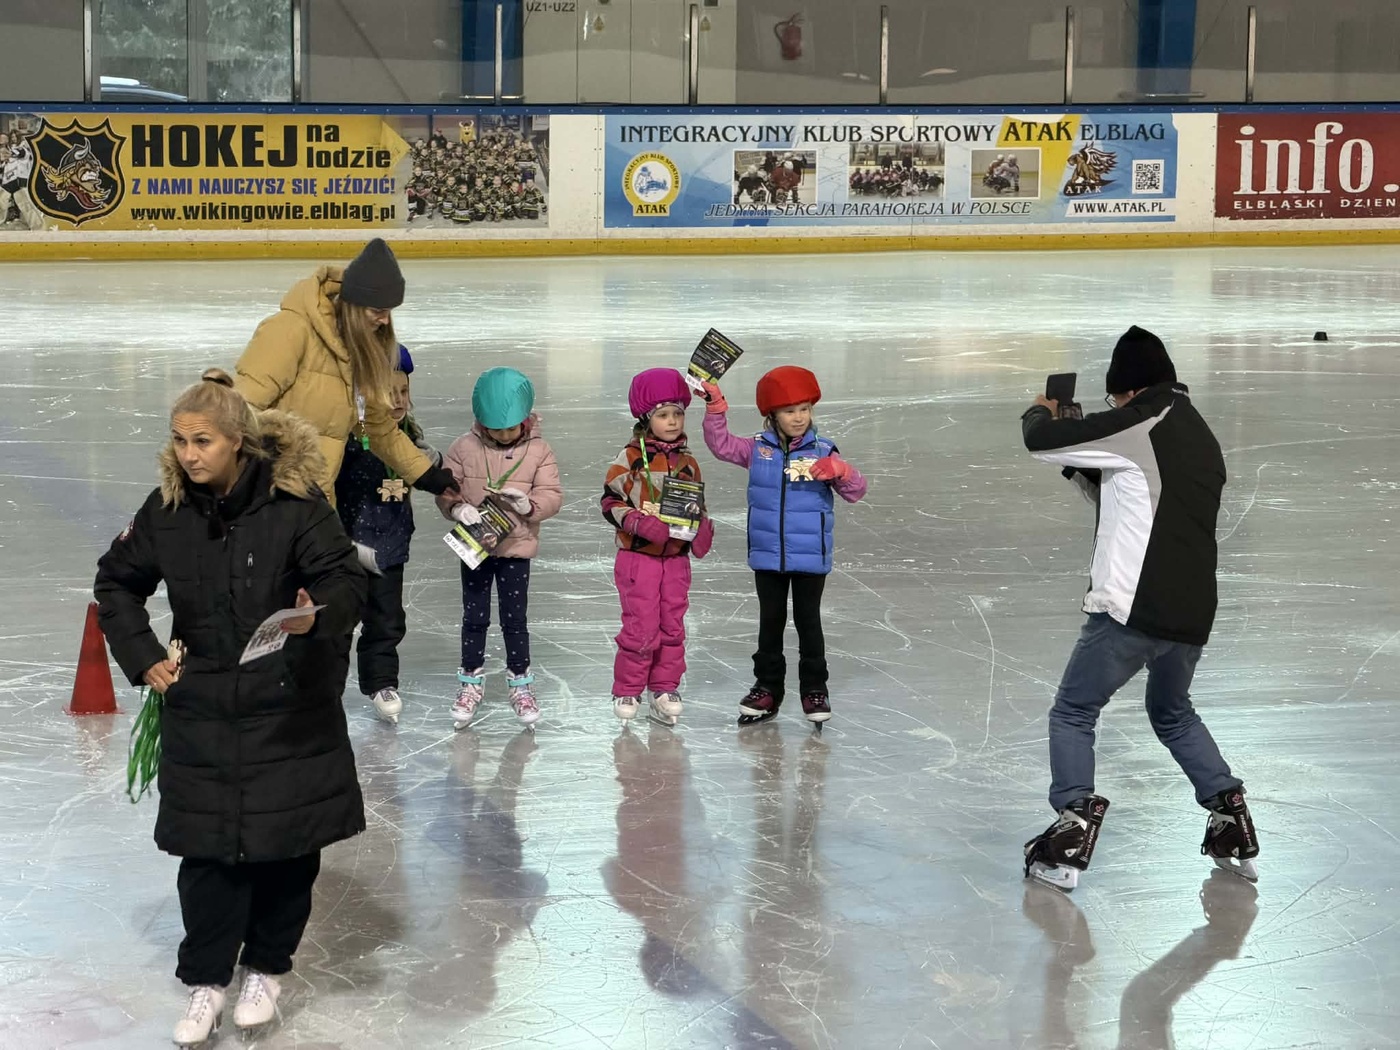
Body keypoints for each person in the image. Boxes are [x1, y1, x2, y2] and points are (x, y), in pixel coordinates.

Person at [93, 370, 367, 1046]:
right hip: (203, 705)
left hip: (287, 702)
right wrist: (142, 653)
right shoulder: (167, 510)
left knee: (285, 849)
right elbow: (117, 582)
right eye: (180, 440)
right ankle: (207, 982)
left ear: (238, 441)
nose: (189, 454)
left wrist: (318, 615)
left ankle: (268, 967)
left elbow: (345, 579)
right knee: (207, 854)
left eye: (204, 441)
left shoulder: (296, 504)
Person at [1019, 325, 1259, 892]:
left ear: (1126, 390)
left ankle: (1071, 832)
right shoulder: (1196, 432)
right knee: (1173, 713)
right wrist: (1086, 458)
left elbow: (1042, 441)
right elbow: (1130, 492)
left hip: (1133, 608)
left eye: (1113, 396)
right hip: (1192, 612)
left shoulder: (1141, 419)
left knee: (1074, 711)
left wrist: (1041, 410)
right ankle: (1230, 819)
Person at [701, 366, 867, 725]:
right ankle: (768, 687)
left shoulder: (824, 450)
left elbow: (856, 492)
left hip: (810, 558)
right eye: (790, 411)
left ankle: (814, 688)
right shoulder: (757, 450)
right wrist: (716, 408)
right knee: (770, 623)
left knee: (809, 624)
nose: (798, 417)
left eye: (804, 409)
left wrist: (841, 471)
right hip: (767, 555)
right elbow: (720, 445)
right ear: (772, 415)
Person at [234, 237, 457, 504]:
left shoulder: (357, 350)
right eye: (378, 310)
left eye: (389, 311)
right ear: (354, 304)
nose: (385, 320)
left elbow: (376, 426)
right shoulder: (291, 331)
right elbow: (239, 411)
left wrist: (424, 475)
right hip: (268, 496)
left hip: (315, 499)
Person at [437, 367, 562, 728]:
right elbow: (449, 486)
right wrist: (456, 507)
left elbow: (552, 494)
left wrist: (529, 505)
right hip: (475, 549)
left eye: (511, 427)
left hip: (516, 548)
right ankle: (470, 681)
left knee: (514, 619)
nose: (504, 435)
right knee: (474, 618)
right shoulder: (464, 447)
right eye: (496, 428)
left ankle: (520, 682)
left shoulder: (539, 450)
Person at [601, 369, 715, 726]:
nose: (672, 421)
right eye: (663, 415)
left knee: (672, 625)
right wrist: (638, 522)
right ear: (646, 418)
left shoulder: (688, 462)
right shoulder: (631, 457)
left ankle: (664, 687)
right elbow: (610, 501)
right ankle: (629, 688)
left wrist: (701, 529)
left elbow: (699, 504)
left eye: (678, 413)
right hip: (639, 559)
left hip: (676, 561)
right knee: (641, 625)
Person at [334, 345, 439, 725]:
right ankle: (325, 687)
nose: (398, 401)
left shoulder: (410, 433)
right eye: (388, 393)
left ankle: (381, 681)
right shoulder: (348, 435)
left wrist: (432, 462)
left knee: (386, 617)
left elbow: (427, 470)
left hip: (391, 545)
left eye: (404, 392)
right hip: (346, 545)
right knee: (338, 620)